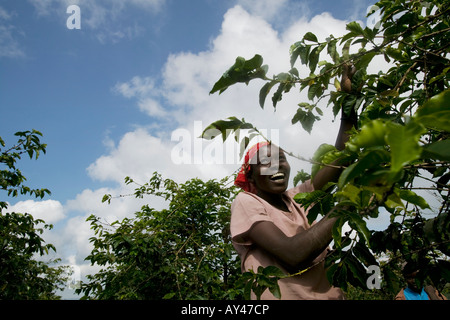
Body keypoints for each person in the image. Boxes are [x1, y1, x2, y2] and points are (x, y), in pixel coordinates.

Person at [230, 65, 357, 300]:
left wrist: (348, 101)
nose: (277, 166)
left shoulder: (300, 197)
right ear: (251, 176)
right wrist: (350, 204)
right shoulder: (246, 202)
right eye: (266, 162)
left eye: (281, 159)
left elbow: (342, 157)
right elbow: (293, 254)